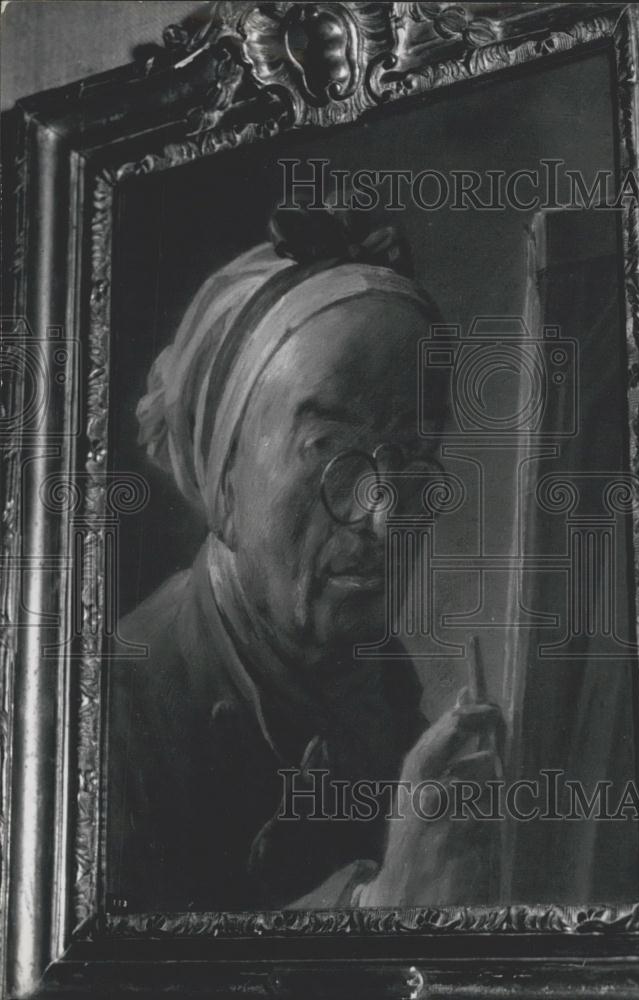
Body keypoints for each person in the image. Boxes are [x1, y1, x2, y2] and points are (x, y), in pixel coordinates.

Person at [108, 203, 503, 912]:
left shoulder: (372, 675)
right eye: (327, 450)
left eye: (410, 459)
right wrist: (373, 908)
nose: (384, 517)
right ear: (222, 476)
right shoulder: (115, 709)